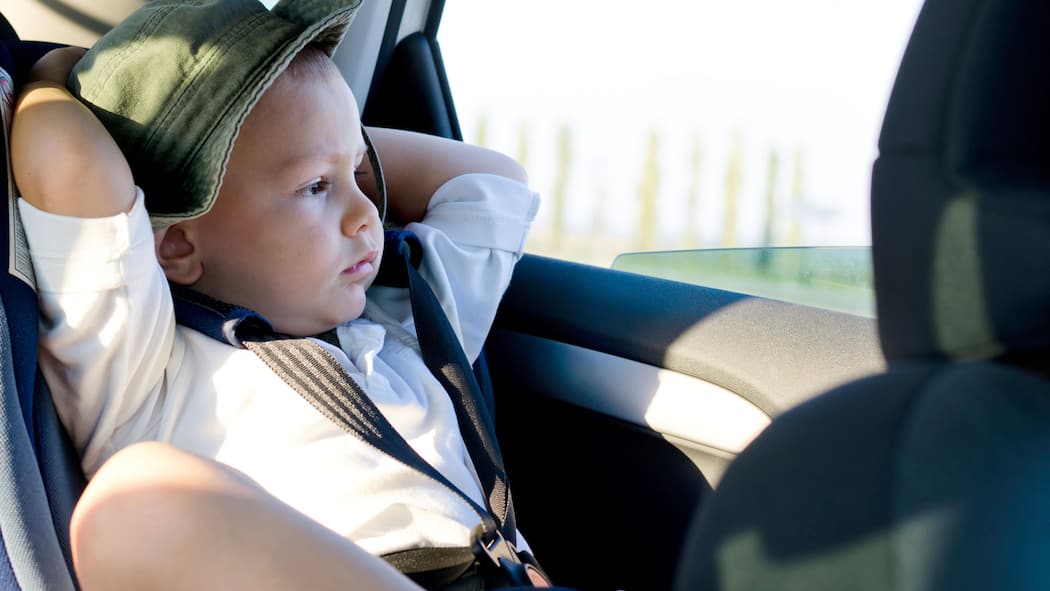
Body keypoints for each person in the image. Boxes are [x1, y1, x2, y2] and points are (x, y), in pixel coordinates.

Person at [10, 1, 541, 589]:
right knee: (128, 502)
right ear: (176, 248)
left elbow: (492, 182)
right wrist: (48, 71)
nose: (368, 215)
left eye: (360, 175)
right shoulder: (147, 370)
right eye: (316, 186)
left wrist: (325, 139)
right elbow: (70, 161)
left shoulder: (403, 324)